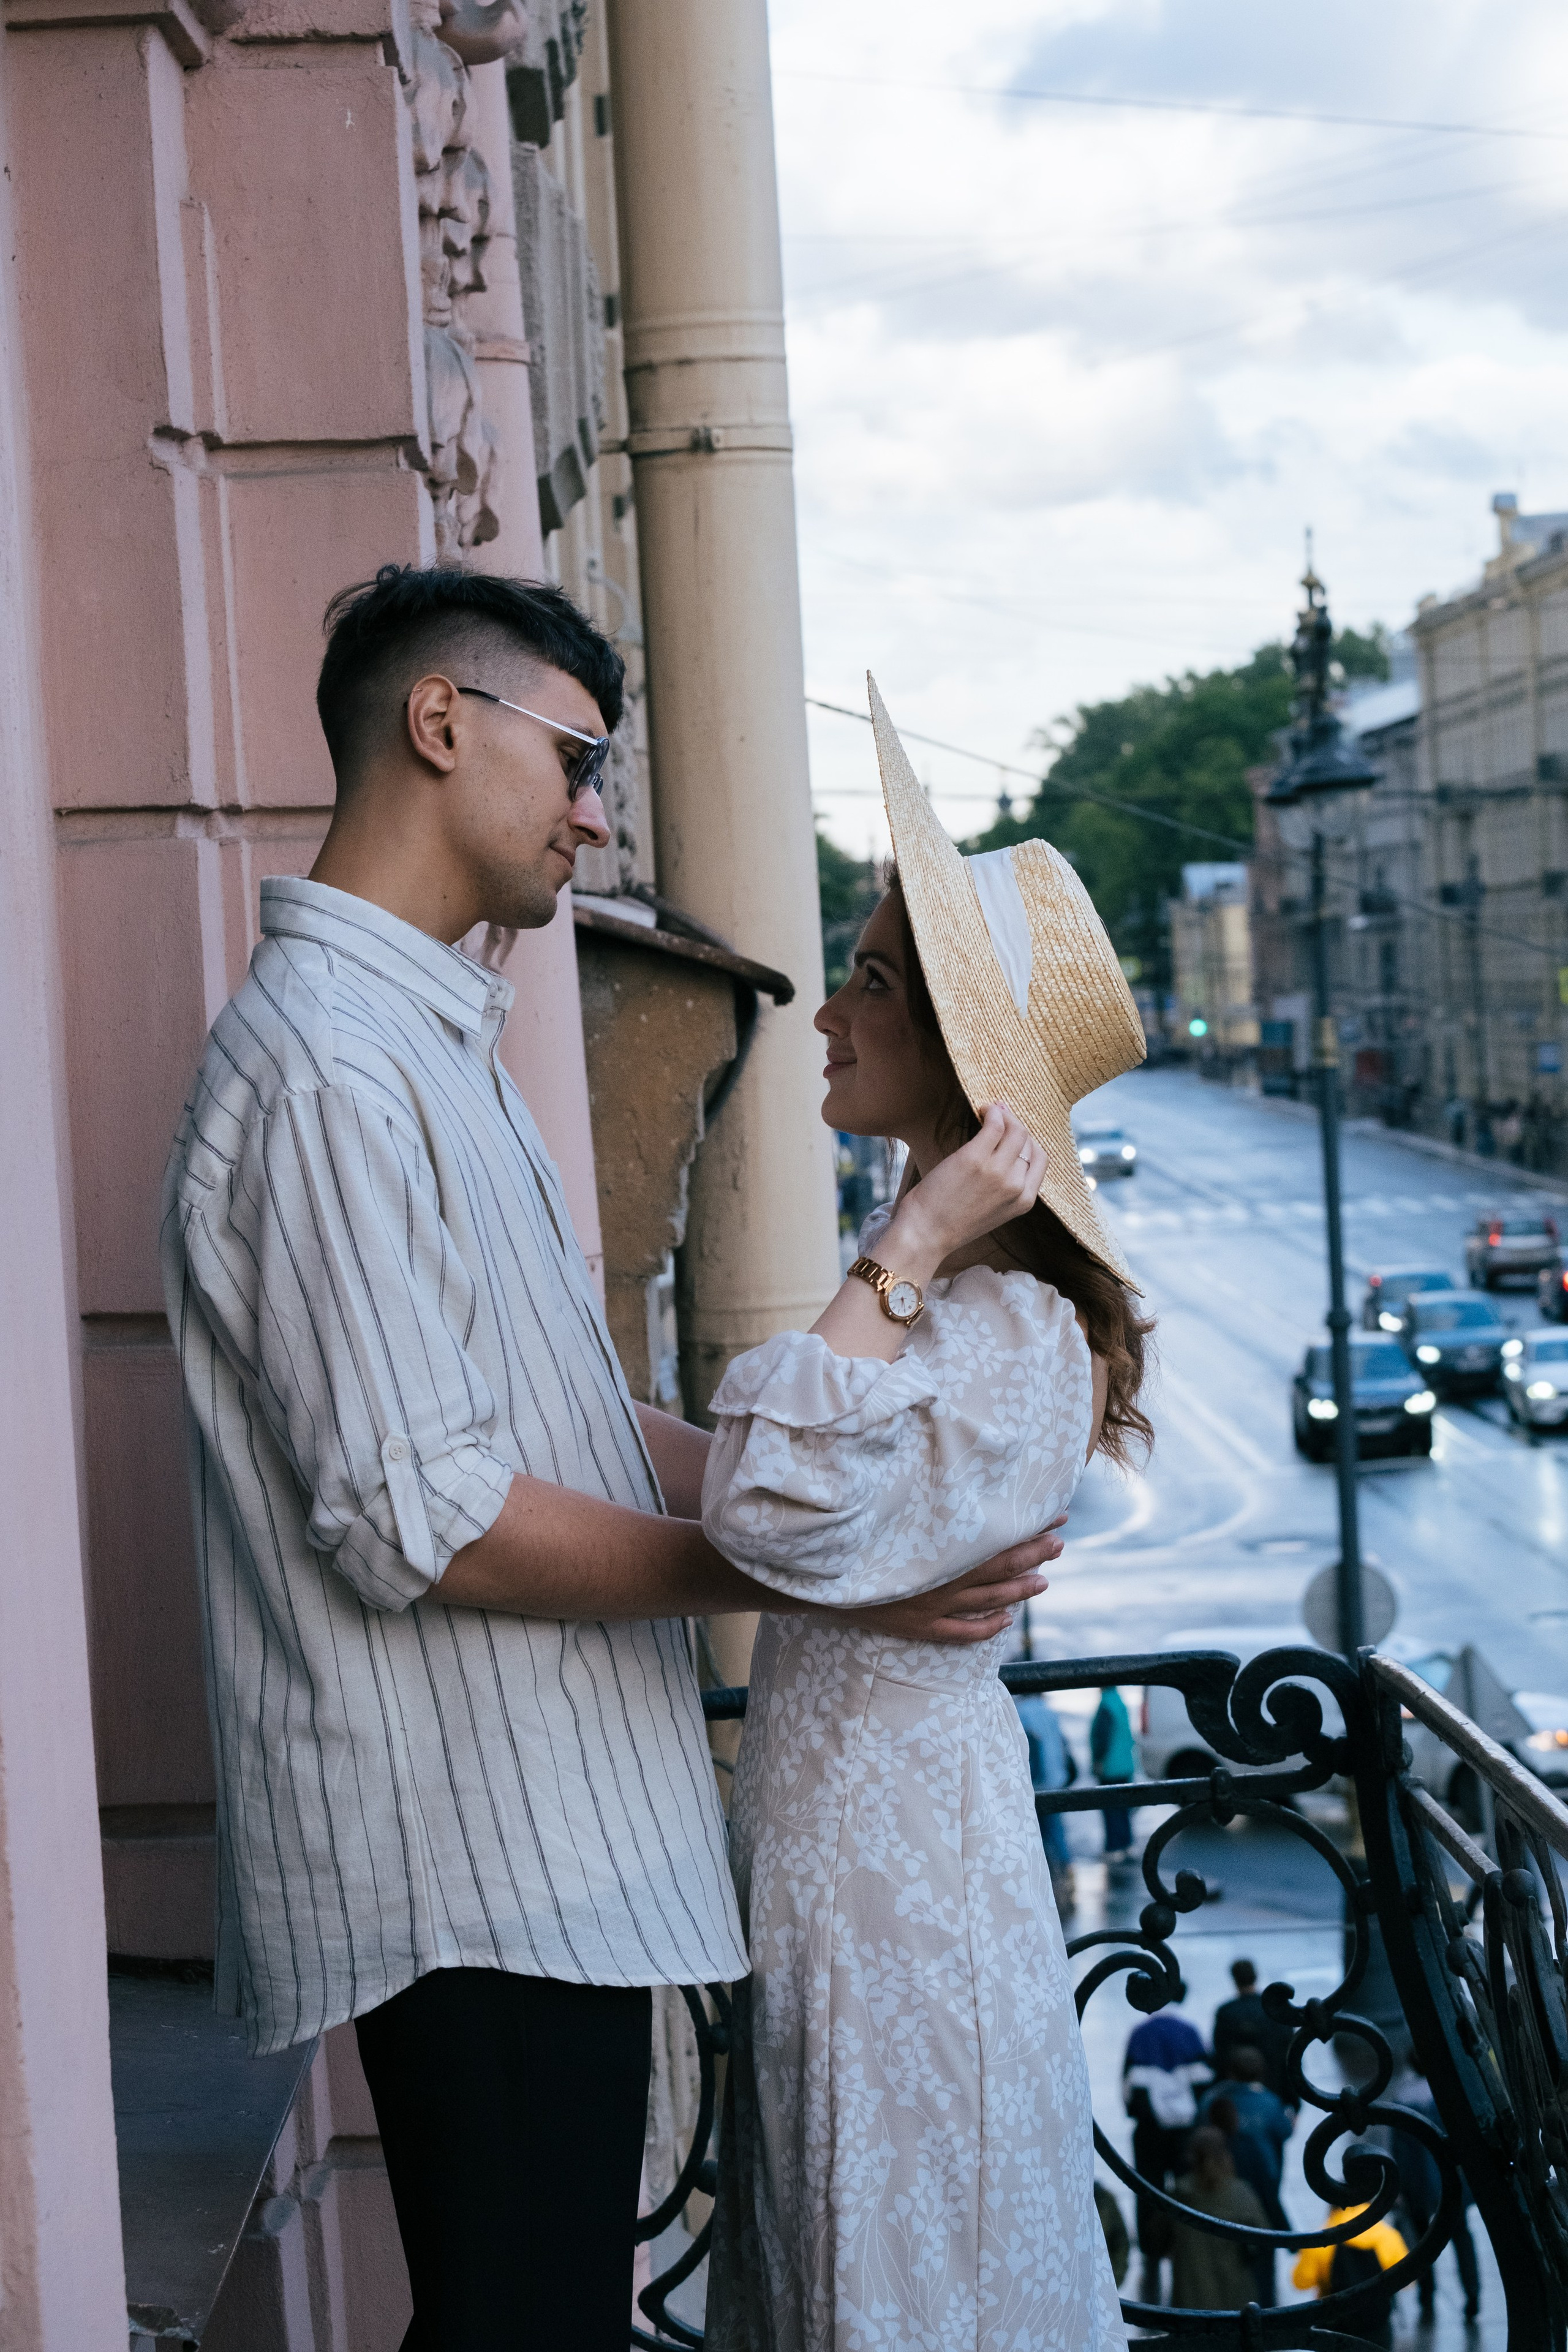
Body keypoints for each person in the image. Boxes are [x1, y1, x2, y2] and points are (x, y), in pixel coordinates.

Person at [159, 578, 1066, 2352]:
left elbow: (562, 1429)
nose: (596, 810)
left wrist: (803, 1513)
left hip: (537, 1845)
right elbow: (429, 1520)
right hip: (466, 1859)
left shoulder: (430, 1039)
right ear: (441, 726)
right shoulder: (338, 1070)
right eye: (575, 758)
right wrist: (808, 1560)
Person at [699, 678, 1153, 2351]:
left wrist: (902, 1248)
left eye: (872, 979)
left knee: (901, 2276)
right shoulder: (954, 1306)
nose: (827, 1009)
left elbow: (766, 1502)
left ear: (963, 1064)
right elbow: (776, 1499)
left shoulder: (999, 1322)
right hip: (863, 1864)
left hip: (899, 1896)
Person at [1123, 1993, 1213, 2300]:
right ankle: (1186, 2238)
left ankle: (1151, 2248)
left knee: (1148, 2187)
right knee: (1186, 2186)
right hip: (1186, 2130)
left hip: (1150, 2128)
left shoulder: (1139, 2033)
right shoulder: (1189, 2031)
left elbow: (1129, 2085)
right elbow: (1204, 2081)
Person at [1386, 2057, 1480, 2323]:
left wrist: (1400, 2188)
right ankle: (1472, 2294)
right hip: (1452, 2180)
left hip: (1417, 2184)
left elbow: (1400, 2151)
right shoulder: (1448, 2096)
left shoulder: (1403, 2099)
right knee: (1462, 2235)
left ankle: (1426, 2295)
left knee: (1422, 2242)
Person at [1292, 2173, 1408, 2352]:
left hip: (1335, 2328)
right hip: (1377, 2326)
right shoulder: (1387, 2235)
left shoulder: (1323, 2239)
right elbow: (1408, 2280)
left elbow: (1300, 2282)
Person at [1168, 2127, 1268, 2311]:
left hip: (1190, 2303)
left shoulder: (1178, 2195)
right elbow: (1262, 2242)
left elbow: (1158, 2241)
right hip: (1235, 2301)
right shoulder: (1242, 2194)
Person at [1206, 2094, 1286, 2306]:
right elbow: (1267, 2189)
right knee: (1260, 2289)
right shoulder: (1248, 2148)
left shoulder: (1202, 2151)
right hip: (1253, 2229)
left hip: (1219, 2237)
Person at [1198, 2047, 1293, 2190]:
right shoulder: (1270, 2102)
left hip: (1220, 2171)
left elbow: (1201, 2126)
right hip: (1262, 2172)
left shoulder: (1212, 2098)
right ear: (1262, 2073)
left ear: (1230, 2071)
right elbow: (1284, 2131)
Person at [1014, 1686, 1077, 1902]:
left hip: (1035, 1782)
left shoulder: (1020, 1712)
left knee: (1034, 1833)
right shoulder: (1050, 1712)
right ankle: (1067, 1872)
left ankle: (1042, 1878)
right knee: (1057, 1830)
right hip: (1056, 1778)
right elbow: (1061, 1743)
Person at [1213, 1956, 1295, 2100]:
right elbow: (1289, 2055)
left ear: (1234, 1979)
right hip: (1274, 2089)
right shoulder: (1274, 2011)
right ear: (1256, 1977)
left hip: (1237, 2094)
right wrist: (1293, 2102)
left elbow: (1220, 2055)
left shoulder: (1226, 2013)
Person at [1091, 1683, 1137, 1861]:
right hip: (1125, 1763)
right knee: (1123, 1807)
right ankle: (1127, 1844)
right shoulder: (1120, 1702)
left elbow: (1101, 1737)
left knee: (1111, 1808)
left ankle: (1114, 1848)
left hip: (1110, 1766)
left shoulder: (1106, 1705)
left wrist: (1098, 1761)